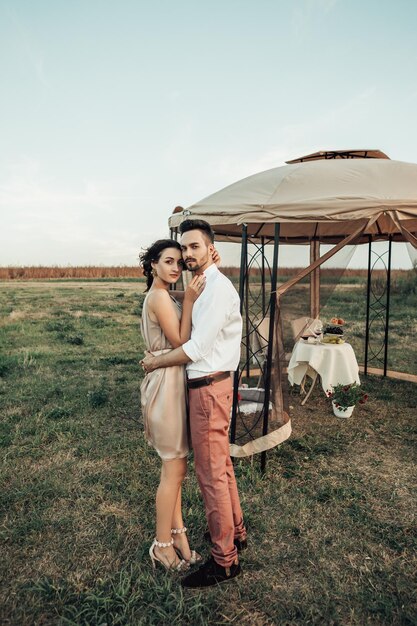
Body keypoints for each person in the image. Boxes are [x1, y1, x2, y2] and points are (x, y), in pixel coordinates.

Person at [141, 219, 247, 588]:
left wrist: (155, 361)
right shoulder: (203, 285)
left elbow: (197, 348)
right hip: (209, 386)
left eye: (194, 247)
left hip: (208, 388)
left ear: (210, 247)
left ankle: (224, 561)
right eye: (183, 249)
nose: (186, 255)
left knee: (211, 474)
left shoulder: (216, 289)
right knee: (221, 467)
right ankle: (237, 533)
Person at [139, 238, 207, 572]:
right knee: (174, 468)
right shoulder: (158, 297)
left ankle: (179, 537)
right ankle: (162, 546)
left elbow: (177, 299)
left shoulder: (164, 295)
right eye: (168, 261)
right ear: (153, 264)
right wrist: (191, 298)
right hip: (166, 388)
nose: (176, 268)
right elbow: (181, 340)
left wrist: (187, 295)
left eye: (179, 263)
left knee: (175, 469)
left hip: (170, 382)